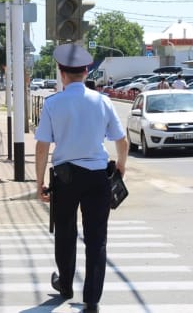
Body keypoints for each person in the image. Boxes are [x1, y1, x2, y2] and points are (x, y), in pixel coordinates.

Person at [34, 44, 128, 313]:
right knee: (96, 238)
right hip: (98, 177)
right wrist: (121, 167)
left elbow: (42, 146)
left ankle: (65, 284)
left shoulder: (53, 103)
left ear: (62, 74)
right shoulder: (103, 101)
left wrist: (38, 182)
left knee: (65, 232)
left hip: (64, 178)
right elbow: (121, 140)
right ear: (86, 72)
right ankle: (92, 298)